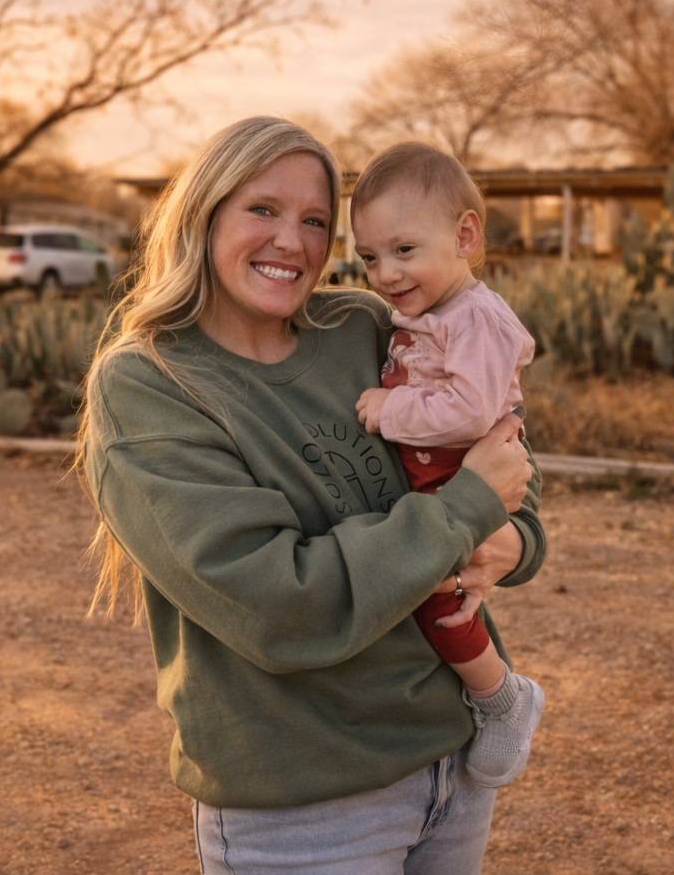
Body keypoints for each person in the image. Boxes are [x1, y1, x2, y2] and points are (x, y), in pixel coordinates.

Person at [79, 116, 545, 874]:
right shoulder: (148, 385)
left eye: (316, 221)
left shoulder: (363, 327)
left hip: (451, 764)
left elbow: (500, 458)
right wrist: (462, 515)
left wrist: (514, 538)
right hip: (302, 806)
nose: (292, 242)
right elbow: (277, 607)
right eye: (262, 209)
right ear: (204, 211)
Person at [350, 141, 543, 790]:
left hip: (458, 476)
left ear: (464, 236)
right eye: (369, 257)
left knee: (438, 602)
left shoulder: (477, 318)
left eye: (404, 250)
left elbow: (469, 410)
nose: (384, 272)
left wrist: (391, 408)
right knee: (435, 593)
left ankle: (503, 700)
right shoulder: (431, 312)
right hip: (437, 479)